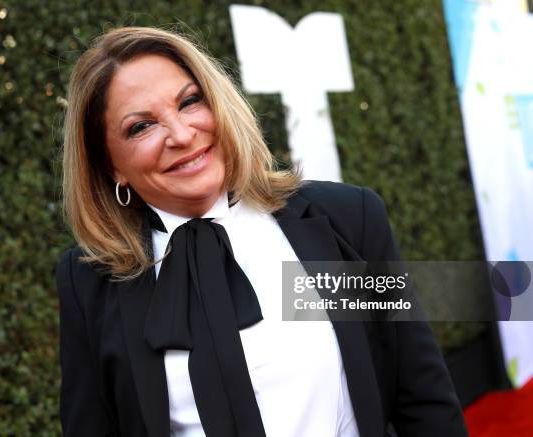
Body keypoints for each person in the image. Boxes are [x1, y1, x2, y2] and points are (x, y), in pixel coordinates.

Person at [56, 26, 468, 437]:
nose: (181, 135)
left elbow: (424, 399)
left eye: (190, 102)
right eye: (141, 127)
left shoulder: (347, 219)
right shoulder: (88, 282)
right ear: (111, 166)